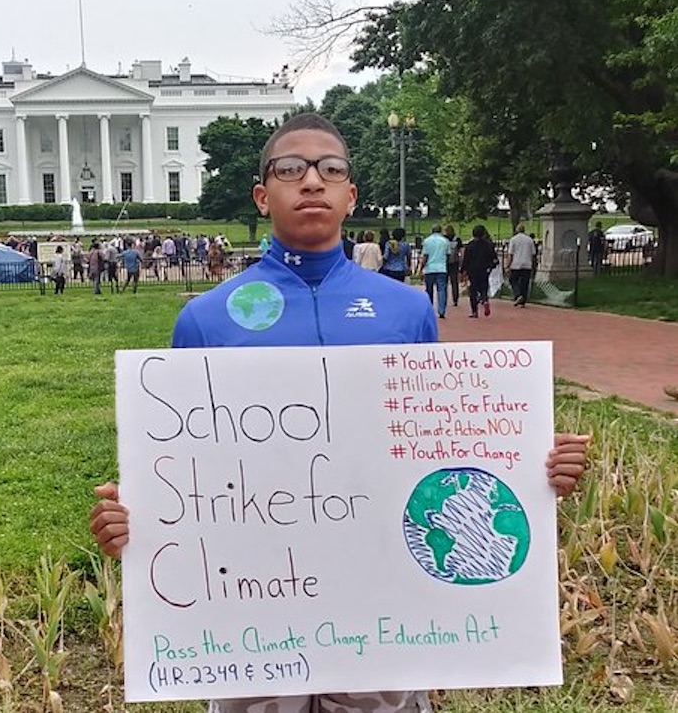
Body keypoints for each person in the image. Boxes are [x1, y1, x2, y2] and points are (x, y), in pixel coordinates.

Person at [90, 113, 589, 713]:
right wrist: (139, 520)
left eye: (330, 169)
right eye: (290, 169)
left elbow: (445, 449)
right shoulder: (207, 319)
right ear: (262, 194)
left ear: (350, 194)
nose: (311, 181)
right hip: (252, 614)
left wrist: (533, 468)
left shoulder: (406, 311)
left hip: (380, 608)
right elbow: (183, 470)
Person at [460, 224, 498, 318]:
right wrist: (491, 266)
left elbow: (466, 259)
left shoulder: (470, 246)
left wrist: (462, 270)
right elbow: (494, 258)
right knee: (484, 287)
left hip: (472, 270)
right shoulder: (488, 245)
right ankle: (484, 299)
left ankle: (474, 311)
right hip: (484, 269)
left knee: (473, 290)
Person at [415, 224, 449, 318]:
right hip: (442, 268)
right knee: (441, 289)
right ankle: (441, 310)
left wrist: (420, 268)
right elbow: (448, 255)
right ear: (440, 230)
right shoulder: (445, 241)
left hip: (430, 268)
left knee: (429, 289)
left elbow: (425, 256)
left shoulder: (427, 241)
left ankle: (429, 309)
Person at [505, 223, 535, 307]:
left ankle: (518, 295)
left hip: (516, 263)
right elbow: (533, 254)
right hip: (527, 263)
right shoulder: (530, 240)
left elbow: (510, 254)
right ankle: (523, 301)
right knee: (525, 283)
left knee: (513, 280)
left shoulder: (513, 239)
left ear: (517, 230)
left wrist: (507, 266)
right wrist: (533, 265)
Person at [444, 225, 463, 308]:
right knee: (454, 282)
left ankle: (444, 298)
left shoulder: (443, 239)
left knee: (444, 283)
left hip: (445, 262)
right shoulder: (457, 239)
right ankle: (455, 299)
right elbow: (461, 251)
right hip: (455, 262)